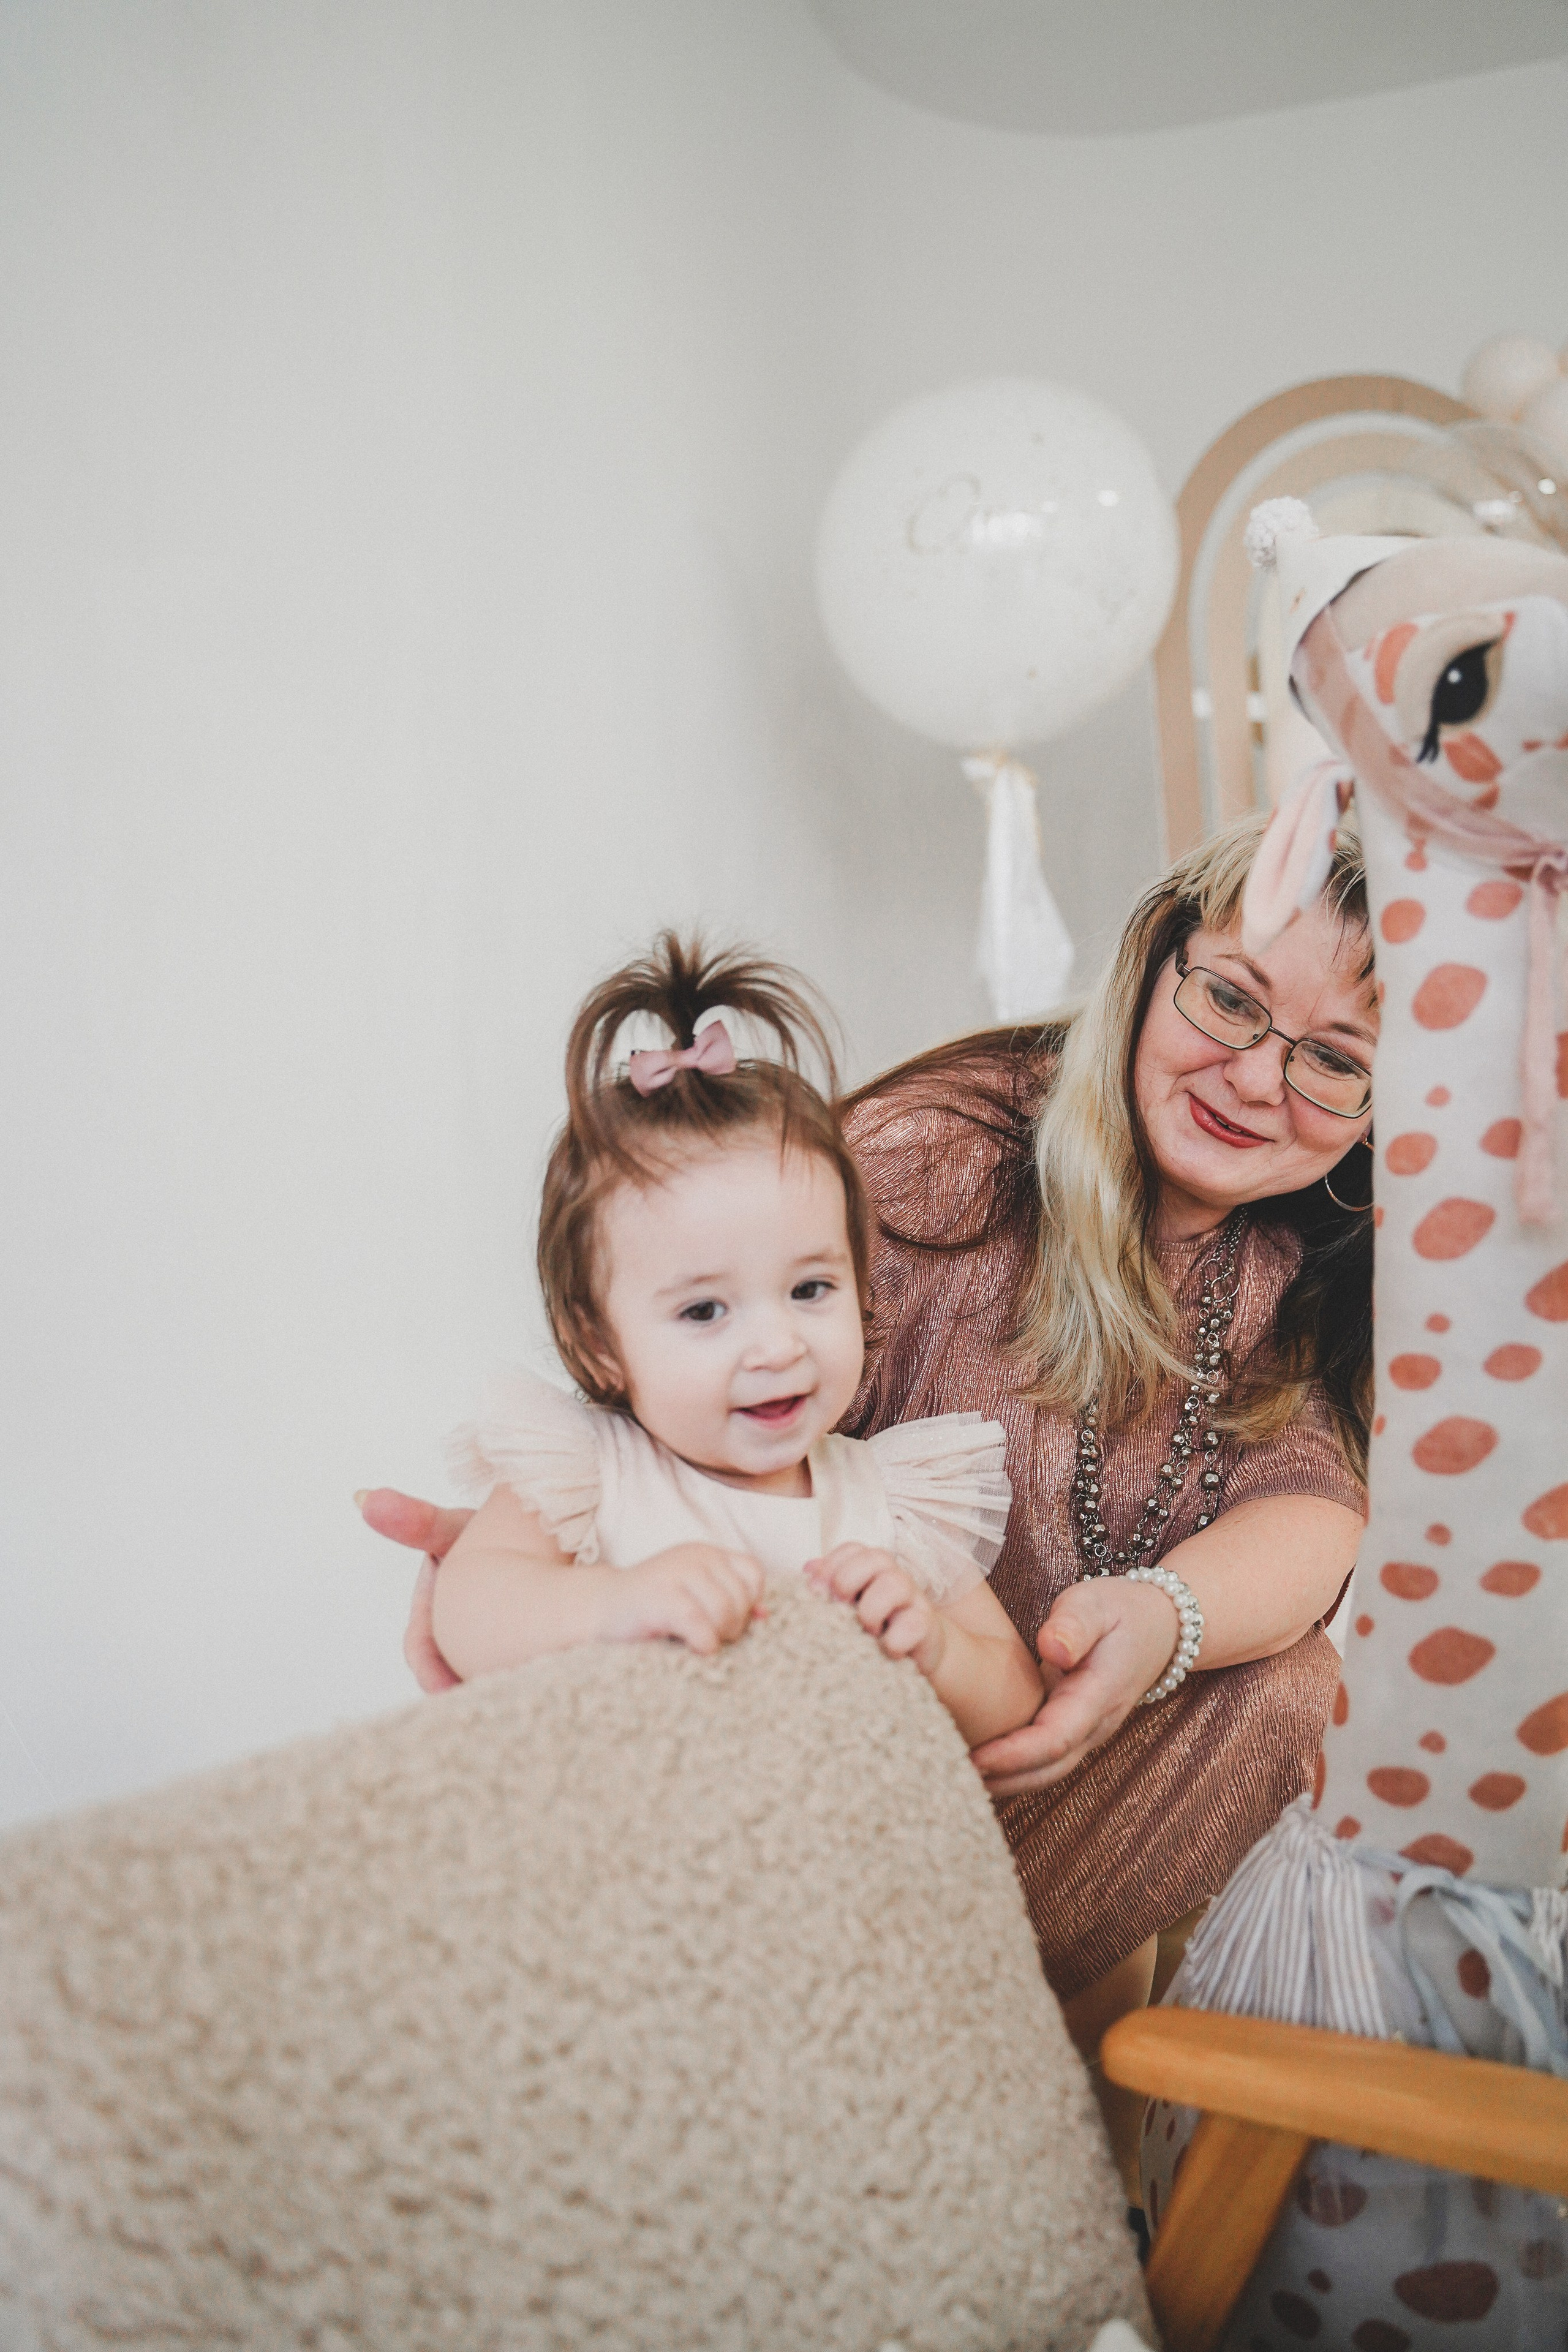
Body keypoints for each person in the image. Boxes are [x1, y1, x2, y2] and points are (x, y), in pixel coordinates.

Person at [366, 813, 1374, 2186]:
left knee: (1284, 1686)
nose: (1257, 1077)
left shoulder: (1297, 1267)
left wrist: (1138, 1615)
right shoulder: (936, 1156)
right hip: (714, 1823)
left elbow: (1310, 1507)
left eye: (1330, 1061)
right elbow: (682, 1305)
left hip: (956, 1774)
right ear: (1153, 967)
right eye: (1230, 999)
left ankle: (1071, 2187)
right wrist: (571, 1555)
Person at [411, 933, 1044, 1751]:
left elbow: (1016, 1694)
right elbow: (469, 1609)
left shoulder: (888, 1499)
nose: (777, 1345)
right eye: (706, 1312)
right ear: (598, 1342)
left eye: (811, 1290)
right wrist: (616, 1603)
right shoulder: (589, 1473)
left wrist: (937, 1645)